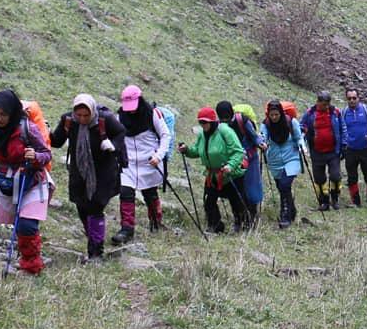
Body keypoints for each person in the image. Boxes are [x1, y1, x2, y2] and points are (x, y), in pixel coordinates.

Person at [0, 89, 52, 275]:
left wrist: (35, 156)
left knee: (26, 224)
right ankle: (27, 256)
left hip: (32, 182)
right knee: (19, 224)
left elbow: (47, 154)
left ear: (13, 112)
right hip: (7, 184)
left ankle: (31, 266)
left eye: (4, 114)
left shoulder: (28, 128)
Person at [49, 94, 127, 260]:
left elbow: (121, 133)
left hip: (104, 172)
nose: (83, 119)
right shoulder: (68, 121)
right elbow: (56, 141)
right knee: (82, 208)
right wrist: (44, 131)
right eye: (79, 115)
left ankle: (96, 252)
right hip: (79, 172)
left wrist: (113, 145)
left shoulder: (105, 119)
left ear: (92, 111)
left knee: (95, 208)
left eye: (86, 115)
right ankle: (94, 238)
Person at [112, 85, 172, 245]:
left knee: (150, 194)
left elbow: (166, 135)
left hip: (149, 162)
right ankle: (127, 229)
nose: (130, 111)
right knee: (125, 193)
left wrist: (159, 155)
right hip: (128, 163)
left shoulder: (153, 114)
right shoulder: (120, 116)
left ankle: (156, 222)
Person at [179, 107, 248, 232]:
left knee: (236, 201)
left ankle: (241, 224)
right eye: (200, 122)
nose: (203, 125)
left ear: (212, 121)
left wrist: (230, 166)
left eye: (205, 122)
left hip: (231, 173)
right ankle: (215, 226)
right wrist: (187, 150)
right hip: (212, 175)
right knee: (209, 201)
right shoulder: (202, 134)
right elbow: (198, 150)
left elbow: (238, 152)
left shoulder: (225, 131)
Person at [216, 101, 262, 228]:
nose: (225, 121)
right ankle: (240, 219)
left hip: (250, 159)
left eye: (227, 118)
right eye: (222, 119)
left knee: (250, 189)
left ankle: (252, 218)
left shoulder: (242, 120)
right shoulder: (219, 125)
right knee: (236, 191)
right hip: (233, 162)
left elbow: (254, 136)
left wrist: (261, 143)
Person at [258, 100, 303, 228]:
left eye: (276, 114)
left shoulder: (291, 122)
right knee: (282, 187)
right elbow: (262, 137)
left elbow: (299, 138)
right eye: (271, 115)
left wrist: (301, 146)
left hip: (291, 158)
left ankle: (285, 216)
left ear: (281, 113)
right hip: (274, 161)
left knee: (284, 184)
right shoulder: (265, 125)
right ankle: (291, 210)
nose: (274, 117)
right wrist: (262, 143)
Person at [301, 91, 345, 210]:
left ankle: (335, 199)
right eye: (324, 104)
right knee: (319, 179)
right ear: (318, 102)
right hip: (316, 152)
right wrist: (303, 130)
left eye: (327, 104)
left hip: (333, 152)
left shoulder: (335, 112)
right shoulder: (310, 113)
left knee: (335, 176)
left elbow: (342, 128)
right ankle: (324, 202)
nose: (326, 106)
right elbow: (301, 125)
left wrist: (344, 145)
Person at [342, 86, 367, 206]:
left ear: (359, 98)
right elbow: (340, 129)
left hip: (366, 148)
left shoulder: (366, 110)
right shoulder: (343, 113)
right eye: (349, 98)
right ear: (346, 99)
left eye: (354, 98)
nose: (352, 100)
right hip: (350, 149)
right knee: (352, 177)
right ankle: (355, 201)